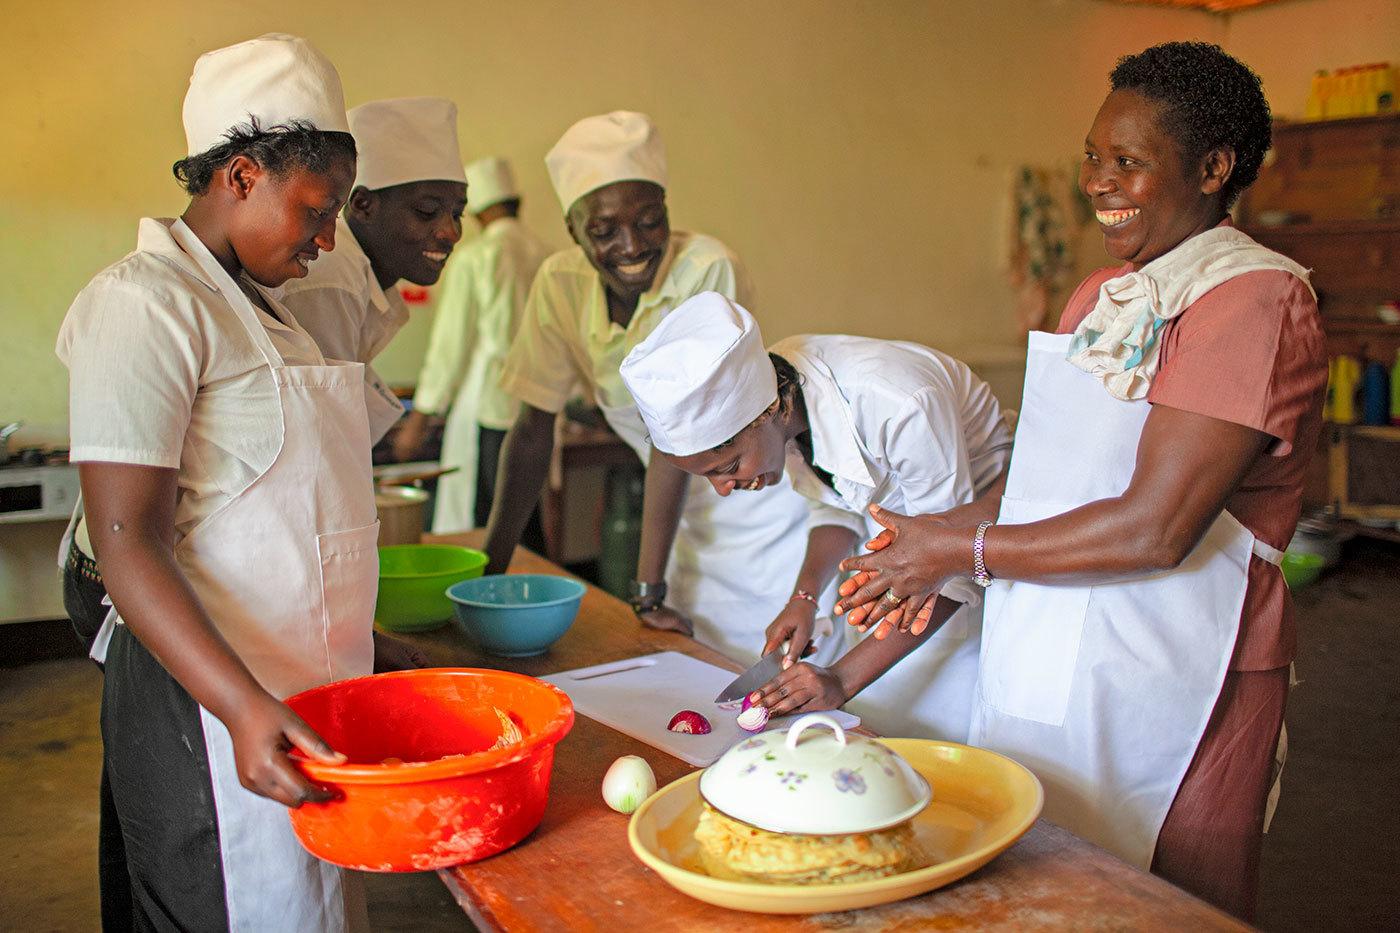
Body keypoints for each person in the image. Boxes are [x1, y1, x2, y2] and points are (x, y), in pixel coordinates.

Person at [833, 42, 1325, 919]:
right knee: (1040, 881)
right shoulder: (1102, 295)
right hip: (1059, 643)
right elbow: (1040, 486)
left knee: (1166, 902)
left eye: (1129, 162)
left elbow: (1156, 528)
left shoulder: (1252, 300)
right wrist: (918, 550)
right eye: (1093, 157)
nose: (1099, 181)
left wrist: (959, 545)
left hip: (1189, 662)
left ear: (1214, 169)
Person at [56, 34, 379, 930]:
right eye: (318, 207)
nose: (328, 235)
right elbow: (126, 541)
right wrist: (239, 707)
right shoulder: (144, 303)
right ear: (241, 177)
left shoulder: (272, 313)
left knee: (309, 906)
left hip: (294, 690)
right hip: (205, 702)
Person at [483, 111, 821, 665]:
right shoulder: (559, 284)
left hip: (760, 505)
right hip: (681, 513)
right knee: (697, 668)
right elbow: (532, 429)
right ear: (573, 232)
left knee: (769, 664)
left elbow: (678, 439)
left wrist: (646, 589)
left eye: (650, 220)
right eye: (603, 231)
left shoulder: (707, 269)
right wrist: (490, 569)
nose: (633, 244)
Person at [620, 292, 1012, 739]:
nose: (724, 489)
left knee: (932, 743)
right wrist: (804, 598)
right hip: (900, 563)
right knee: (869, 731)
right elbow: (836, 506)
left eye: (727, 469)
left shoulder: (901, 405)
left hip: (976, 544)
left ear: (770, 414)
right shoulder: (781, 389)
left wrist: (843, 679)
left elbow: (949, 566)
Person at [281, 96, 468, 446]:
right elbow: (319, 446)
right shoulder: (332, 280)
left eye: (458, 213)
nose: (451, 232)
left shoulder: (364, 280)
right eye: (428, 211)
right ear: (364, 206)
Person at [391, 156, 552, 536]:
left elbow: (451, 345)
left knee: (486, 519)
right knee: (525, 518)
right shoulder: (547, 257)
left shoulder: (477, 259)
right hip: (539, 406)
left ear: (478, 213)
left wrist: (421, 416)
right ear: (518, 202)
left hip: (490, 406)